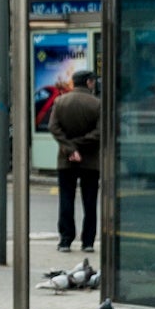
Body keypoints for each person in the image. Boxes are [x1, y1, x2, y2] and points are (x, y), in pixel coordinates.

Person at [50, 71, 103, 252]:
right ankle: (88, 241)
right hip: (91, 160)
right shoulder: (97, 104)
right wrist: (79, 146)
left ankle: (65, 240)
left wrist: (70, 148)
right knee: (90, 202)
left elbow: (53, 127)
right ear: (88, 82)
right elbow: (100, 131)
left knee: (66, 199)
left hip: (66, 159)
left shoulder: (60, 102)